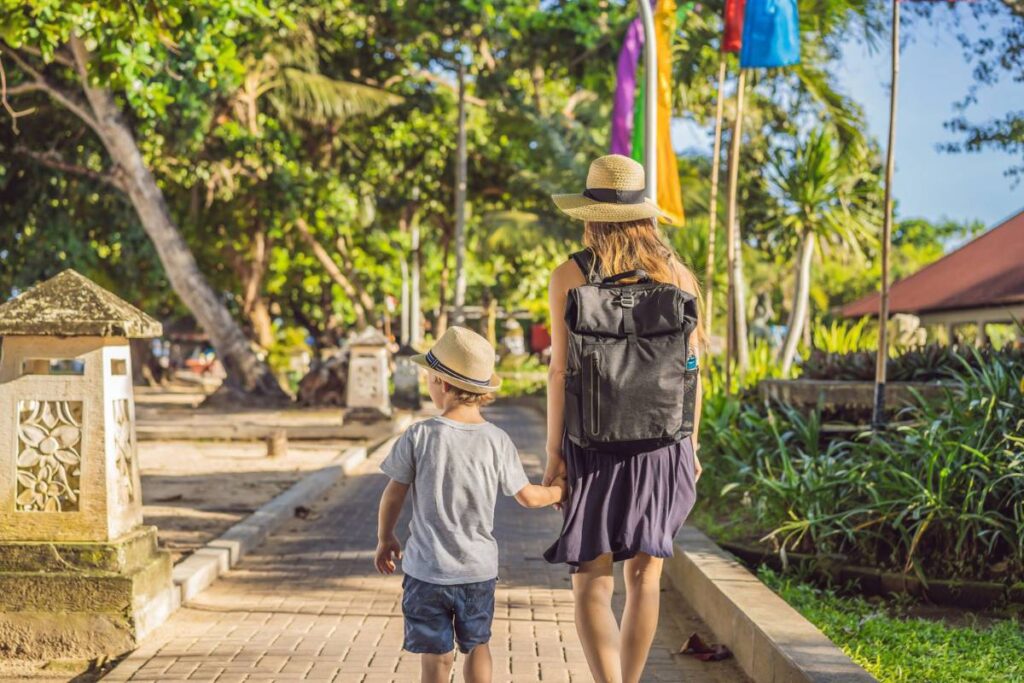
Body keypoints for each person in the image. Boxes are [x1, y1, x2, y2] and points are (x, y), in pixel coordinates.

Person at [542, 154, 705, 683]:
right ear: (646, 215)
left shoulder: (570, 274)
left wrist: (554, 455)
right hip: (663, 443)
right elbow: (693, 368)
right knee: (645, 578)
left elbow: (559, 370)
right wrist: (692, 444)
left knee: (591, 583)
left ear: (590, 215)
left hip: (592, 442)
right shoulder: (679, 275)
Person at [374, 326, 566, 683]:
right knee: (478, 645)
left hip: (425, 571)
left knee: (435, 655)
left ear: (442, 384)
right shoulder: (497, 440)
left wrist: (386, 538)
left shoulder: (420, 435)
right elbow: (526, 496)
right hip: (477, 571)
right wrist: (559, 492)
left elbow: (394, 493)